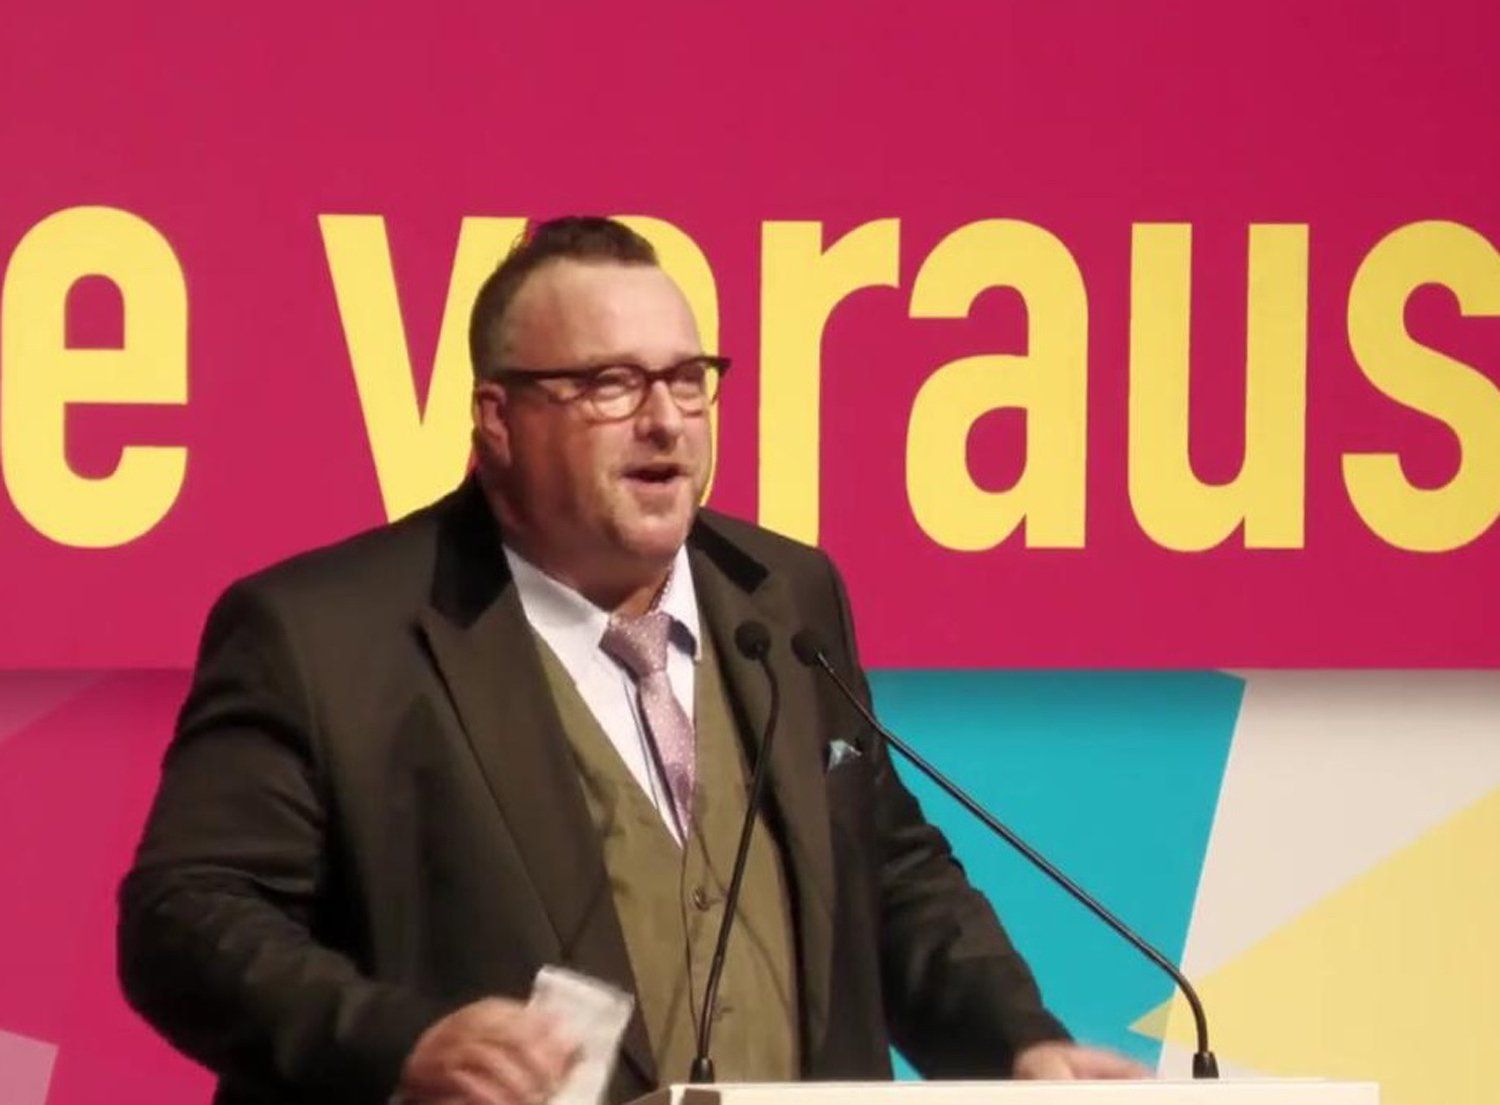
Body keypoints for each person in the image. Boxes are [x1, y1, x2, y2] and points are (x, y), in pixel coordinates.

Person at [119, 217, 1143, 1105]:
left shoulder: (785, 596)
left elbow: (886, 872)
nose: (665, 420)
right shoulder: (327, 634)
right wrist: (400, 1043)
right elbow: (186, 917)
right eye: (610, 384)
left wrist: (1014, 1042)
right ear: (497, 421)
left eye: (688, 380)